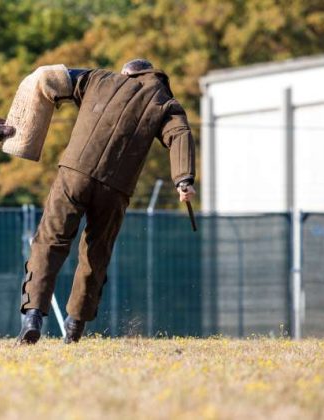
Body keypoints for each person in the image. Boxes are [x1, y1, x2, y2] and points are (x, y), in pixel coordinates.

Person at [17, 59, 196, 344]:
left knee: (49, 241)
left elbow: (59, 79)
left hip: (74, 173)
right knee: (95, 255)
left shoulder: (98, 79)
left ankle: (33, 315)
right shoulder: (166, 102)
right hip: (116, 187)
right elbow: (179, 134)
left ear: (127, 72)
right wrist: (183, 180)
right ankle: (74, 327)